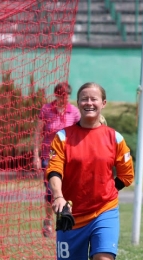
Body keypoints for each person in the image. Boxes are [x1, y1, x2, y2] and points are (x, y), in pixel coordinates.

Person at [45, 82, 134, 260]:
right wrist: (58, 197)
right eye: (84, 99)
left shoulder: (115, 138)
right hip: (70, 213)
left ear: (103, 103)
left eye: (94, 99)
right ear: (78, 103)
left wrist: (107, 190)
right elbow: (54, 170)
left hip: (104, 211)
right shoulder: (63, 137)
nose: (89, 103)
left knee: (103, 258)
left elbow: (127, 175)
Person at [33, 82, 81, 238]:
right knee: (50, 192)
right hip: (49, 157)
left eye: (66, 95)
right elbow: (38, 133)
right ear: (56, 95)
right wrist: (36, 155)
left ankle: (64, 220)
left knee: (67, 191)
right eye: (61, 95)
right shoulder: (46, 110)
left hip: (69, 158)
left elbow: (79, 133)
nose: (63, 98)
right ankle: (47, 222)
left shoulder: (73, 112)